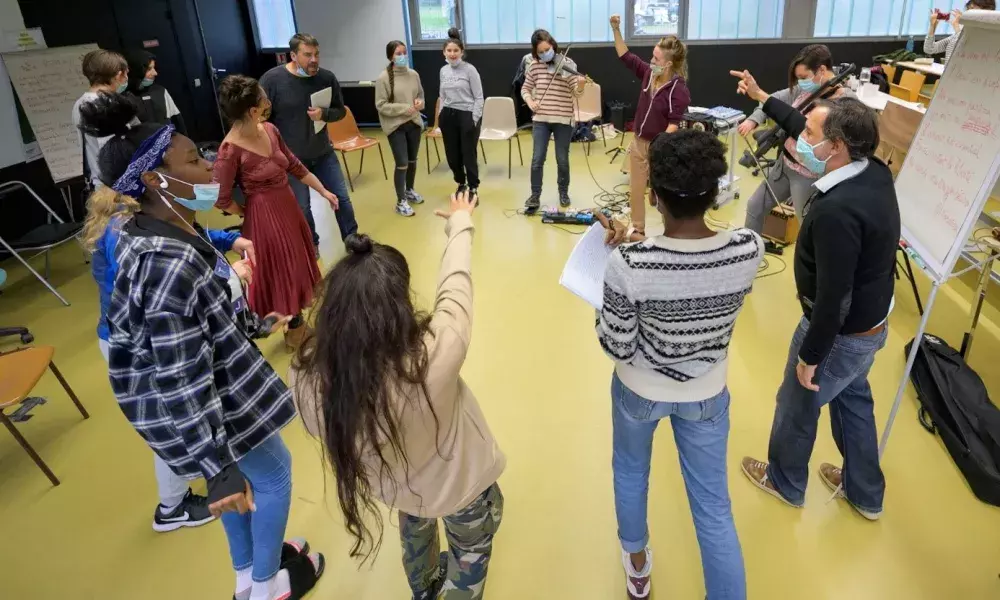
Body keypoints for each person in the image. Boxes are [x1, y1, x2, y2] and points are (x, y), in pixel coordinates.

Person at [80, 92, 324, 600]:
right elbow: (179, 378)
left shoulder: (149, 228)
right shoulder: (167, 267)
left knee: (239, 491)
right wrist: (214, 468)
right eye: (192, 160)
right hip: (207, 403)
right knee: (272, 476)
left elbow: (200, 323)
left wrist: (252, 322)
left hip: (216, 386)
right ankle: (266, 587)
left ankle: (246, 574)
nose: (209, 165)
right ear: (154, 179)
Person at [291, 191, 505, 600]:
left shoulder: (307, 377)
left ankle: (423, 591)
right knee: (471, 551)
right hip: (463, 487)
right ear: (399, 305)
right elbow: (454, 288)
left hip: (401, 489)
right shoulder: (432, 356)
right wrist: (460, 223)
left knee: (416, 534)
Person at [596, 129, 761, 600]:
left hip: (639, 391)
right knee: (713, 506)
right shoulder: (748, 249)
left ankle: (638, 565)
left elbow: (619, 346)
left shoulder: (630, 264)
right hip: (707, 392)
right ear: (713, 193)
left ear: (653, 196)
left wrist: (621, 261)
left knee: (630, 471)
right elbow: (691, 274)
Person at [731, 69, 900, 522]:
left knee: (798, 402)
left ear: (837, 146)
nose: (800, 137)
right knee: (853, 399)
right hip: (872, 322)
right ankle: (865, 492)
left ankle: (785, 482)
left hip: (840, 331)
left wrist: (811, 355)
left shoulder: (837, 211)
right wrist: (763, 96)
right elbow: (799, 124)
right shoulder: (873, 172)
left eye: (810, 133)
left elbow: (833, 300)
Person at [213, 74, 339, 350]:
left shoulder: (270, 130)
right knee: (279, 271)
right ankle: (293, 328)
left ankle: (297, 323)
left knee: (296, 264)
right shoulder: (229, 150)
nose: (269, 101)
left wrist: (324, 190)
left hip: (288, 207)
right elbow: (220, 198)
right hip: (263, 217)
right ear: (252, 110)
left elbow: (294, 166)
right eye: (263, 99)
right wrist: (246, 210)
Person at [736, 44, 854, 254]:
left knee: (810, 230)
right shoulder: (803, 89)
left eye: (804, 76)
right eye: (798, 77)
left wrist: (760, 95)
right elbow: (773, 101)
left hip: (808, 176)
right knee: (755, 206)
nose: (801, 82)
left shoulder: (845, 104)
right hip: (784, 166)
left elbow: (802, 128)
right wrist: (754, 120)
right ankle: (747, 255)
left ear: (821, 71)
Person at [259, 33, 358, 250]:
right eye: (307, 55)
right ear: (293, 55)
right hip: (291, 160)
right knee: (302, 207)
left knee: (341, 198)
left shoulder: (326, 78)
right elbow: (261, 118)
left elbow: (340, 111)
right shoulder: (272, 80)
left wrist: (325, 115)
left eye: (317, 54)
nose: (314, 60)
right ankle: (311, 243)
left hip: (323, 153)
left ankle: (351, 240)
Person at [609, 15, 691, 237]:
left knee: (664, 194)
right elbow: (625, 55)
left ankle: (672, 233)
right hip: (638, 143)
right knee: (636, 191)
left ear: (668, 63)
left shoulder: (678, 90)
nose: (651, 61)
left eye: (656, 59)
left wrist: (658, 148)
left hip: (661, 148)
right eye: (652, 57)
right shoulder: (647, 73)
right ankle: (638, 230)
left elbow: (674, 124)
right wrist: (616, 29)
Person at [521, 29, 588, 212]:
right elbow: (525, 88)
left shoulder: (567, 64)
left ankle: (563, 192)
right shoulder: (534, 65)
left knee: (562, 159)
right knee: (537, 159)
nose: (545, 54)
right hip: (541, 119)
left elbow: (576, 92)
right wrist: (530, 101)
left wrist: (581, 85)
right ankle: (535, 195)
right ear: (536, 52)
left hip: (563, 119)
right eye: (540, 52)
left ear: (553, 45)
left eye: (547, 49)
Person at [376, 40, 425, 217]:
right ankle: (400, 200)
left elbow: (420, 94)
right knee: (402, 163)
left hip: (414, 123)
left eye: (404, 52)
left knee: (412, 161)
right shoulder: (383, 78)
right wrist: (404, 108)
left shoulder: (413, 75)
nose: (402, 56)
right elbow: (381, 105)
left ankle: (410, 190)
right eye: (398, 53)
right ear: (391, 56)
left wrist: (419, 103)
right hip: (395, 126)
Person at [72, 49, 129, 189]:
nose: (127, 78)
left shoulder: (80, 102)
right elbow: (112, 152)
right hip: (118, 185)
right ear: (118, 74)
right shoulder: (104, 105)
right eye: (126, 73)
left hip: (101, 183)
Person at [439, 27, 484, 200]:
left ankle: (473, 187)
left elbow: (479, 97)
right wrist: (441, 115)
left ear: (461, 52)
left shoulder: (470, 70)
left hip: (467, 115)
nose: (452, 54)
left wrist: (474, 119)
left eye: (455, 50)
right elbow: (442, 96)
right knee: (452, 155)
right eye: (449, 50)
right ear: (444, 52)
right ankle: (461, 182)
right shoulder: (443, 71)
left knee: (468, 153)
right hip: (448, 116)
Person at [122, 49, 188, 135]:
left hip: (168, 144)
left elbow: (177, 121)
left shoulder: (160, 91)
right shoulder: (123, 98)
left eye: (154, 68)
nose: (155, 73)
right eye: (149, 69)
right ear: (136, 70)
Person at [925, 2, 994, 65]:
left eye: (973, 9)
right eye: (968, 10)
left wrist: (957, 28)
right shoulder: (958, 35)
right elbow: (930, 49)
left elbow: (966, 53)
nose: (968, 14)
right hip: (948, 77)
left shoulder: (988, 38)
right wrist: (933, 26)